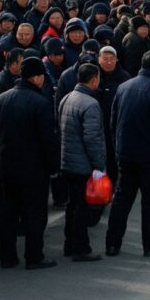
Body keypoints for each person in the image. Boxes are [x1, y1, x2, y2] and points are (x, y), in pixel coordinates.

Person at [105, 50, 150, 257]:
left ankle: (112, 244)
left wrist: (118, 147)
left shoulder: (123, 87)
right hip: (148, 156)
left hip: (125, 154)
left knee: (121, 200)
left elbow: (113, 121)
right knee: (149, 200)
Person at [0, 57, 59, 269]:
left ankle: (7, 256)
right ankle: (34, 256)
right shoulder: (40, 103)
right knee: (34, 214)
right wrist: (53, 166)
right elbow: (47, 140)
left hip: (6, 166)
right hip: (34, 169)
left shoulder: (1, 99)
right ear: (37, 76)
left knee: (8, 214)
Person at [57, 63, 106, 261]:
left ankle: (70, 245)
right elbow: (92, 138)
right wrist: (99, 165)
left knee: (72, 205)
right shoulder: (91, 104)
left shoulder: (67, 98)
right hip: (82, 164)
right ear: (94, 80)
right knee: (81, 208)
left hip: (67, 161)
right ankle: (80, 248)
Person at [97, 46, 130, 184]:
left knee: (113, 157)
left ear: (117, 60)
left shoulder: (124, 77)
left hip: (115, 125)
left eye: (111, 59)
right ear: (99, 60)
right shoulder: (94, 76)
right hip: (96, 125)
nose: (108, 62)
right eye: (105, 59)